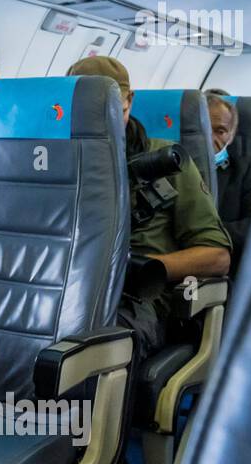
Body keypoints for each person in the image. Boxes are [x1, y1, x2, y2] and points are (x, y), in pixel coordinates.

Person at [66, 56, 231, 362]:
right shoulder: (60, 161)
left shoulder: (167, 161)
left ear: (130, 100)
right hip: (69, 291)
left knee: (87, 346)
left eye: (118, 111)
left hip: (139, 301)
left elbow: (217, 256)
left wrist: (142, 270)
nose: (104, 123)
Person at [204, 90, 251, 275]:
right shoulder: (170, 165)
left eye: (220, 131)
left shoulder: (244, 170)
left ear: (231, 135)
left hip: (228, 266)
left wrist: (205, 235)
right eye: (204, 128)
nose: (210, 138)